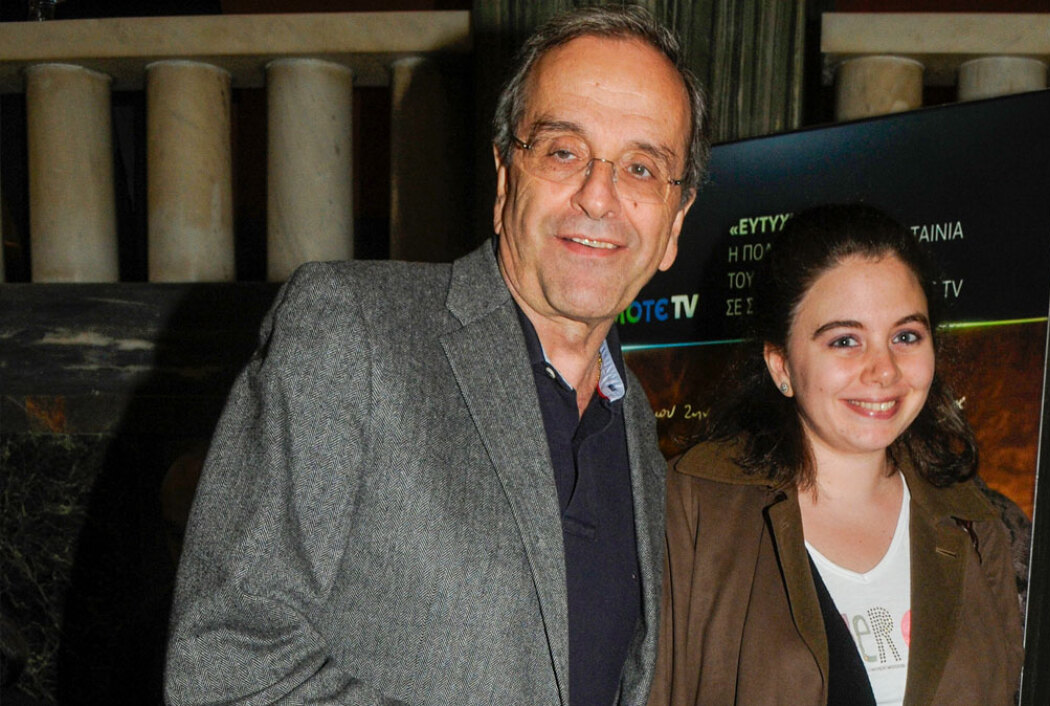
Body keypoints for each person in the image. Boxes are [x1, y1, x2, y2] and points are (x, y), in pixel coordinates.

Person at [164, 5, 707, 705]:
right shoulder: (352, 329)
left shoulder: (635, 425)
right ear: (506, 178)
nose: (598, 197)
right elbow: (225, 662)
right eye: (563, 151)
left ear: (674, 223)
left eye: (641, 167)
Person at [649, 204, 1023, 706]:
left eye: (906, 336)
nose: (884, 370)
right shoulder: (693, 510)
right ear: (780, 364)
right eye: (845, 341)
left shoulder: (976, 525)